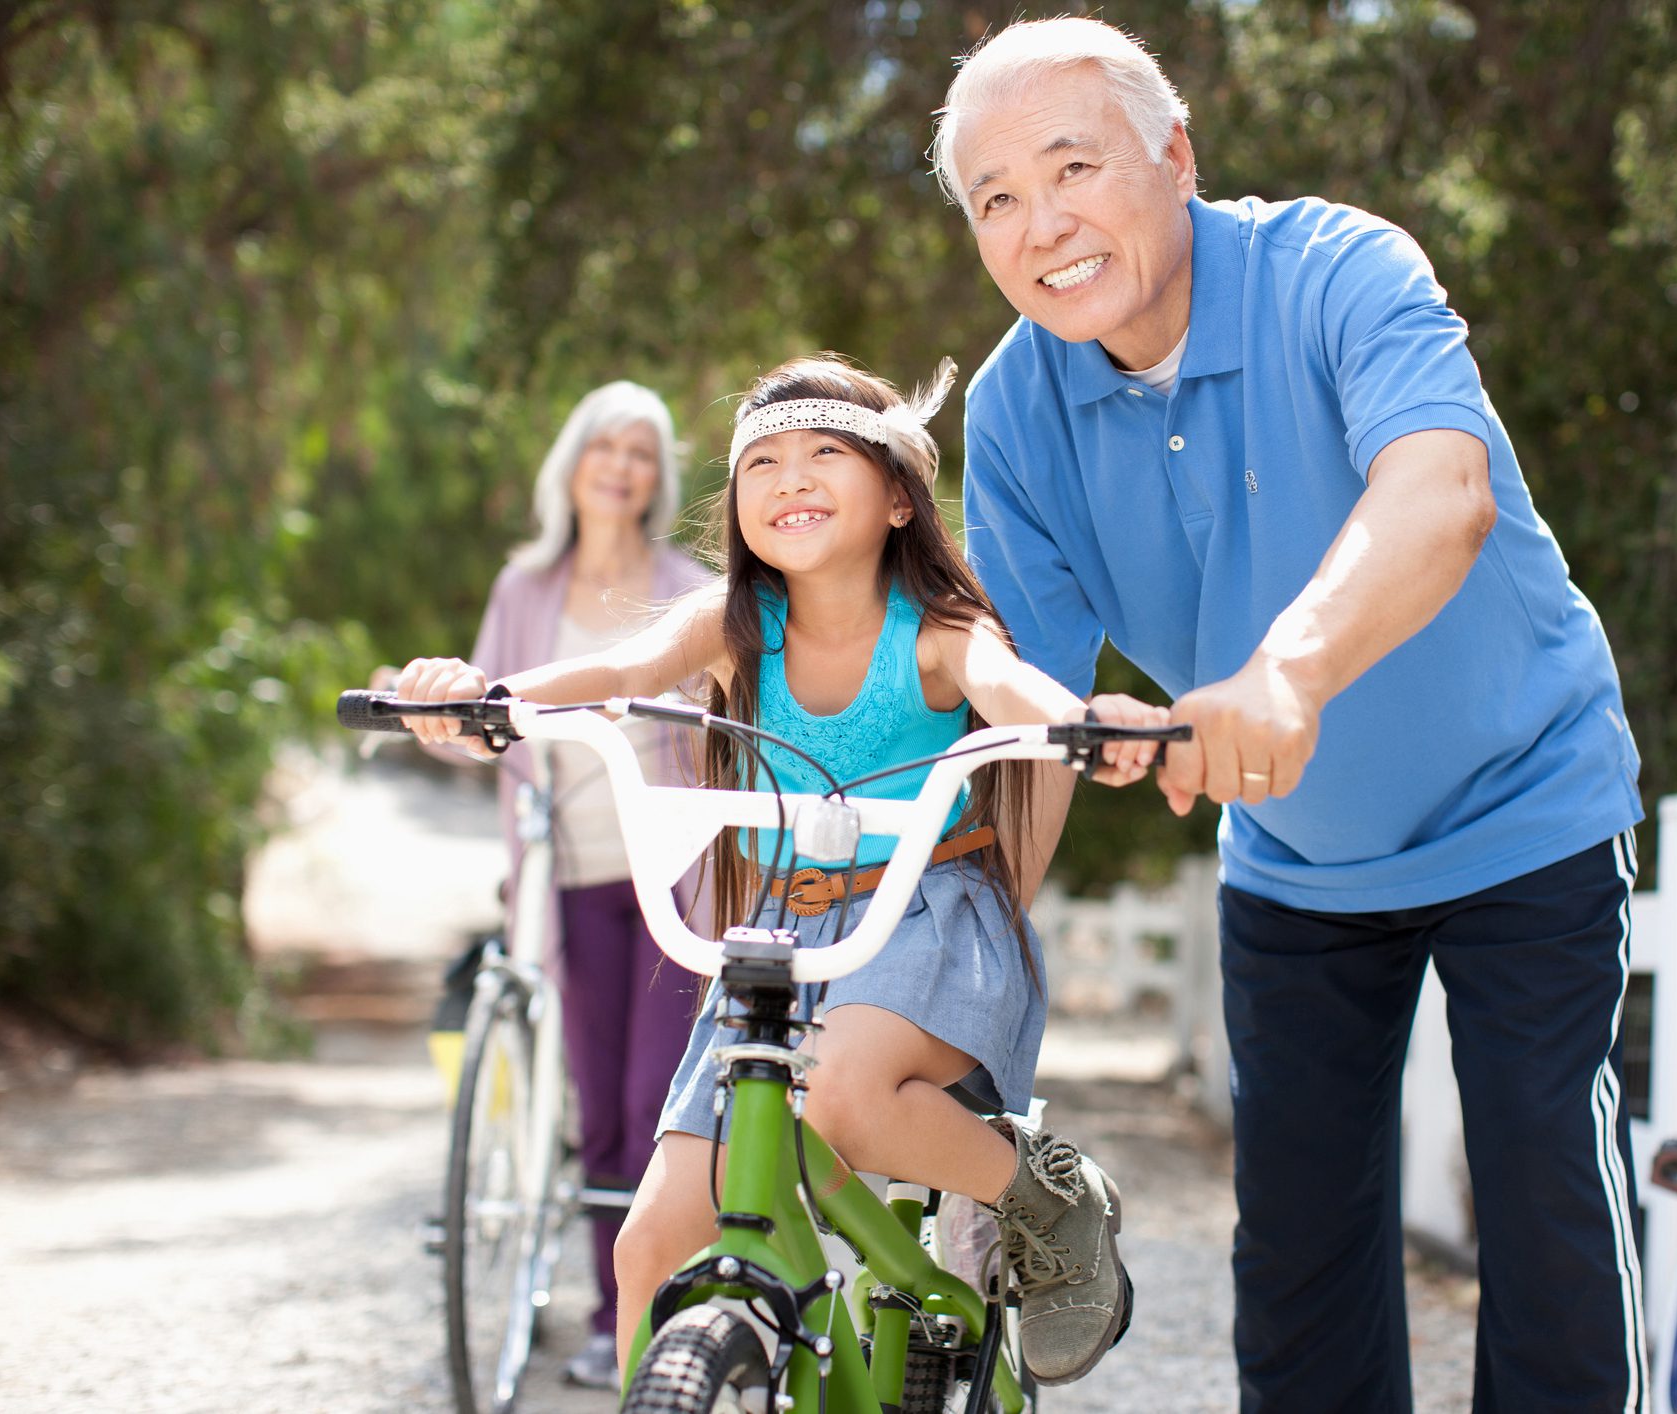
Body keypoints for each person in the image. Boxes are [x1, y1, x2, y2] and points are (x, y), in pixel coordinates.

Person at [931, 19, 1649, 1413]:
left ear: (1176, 153)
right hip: (1297, 860)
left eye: (1071, 166)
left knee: (1540, 1181)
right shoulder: (1018, 407)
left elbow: (1440, 493)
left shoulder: (1339, 270)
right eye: (995, 199)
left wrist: (1284, 673)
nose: (1040, 224)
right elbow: (1022, 710)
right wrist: (947, 963)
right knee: (1300, 1260)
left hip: (1523, 804)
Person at [391, 353, 1169, 1388]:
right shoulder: (734, 623)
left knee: (840, 1099)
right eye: (761, 462)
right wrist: (489, 695)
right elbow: (621, 674)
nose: (789, 477)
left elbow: (1011, 685)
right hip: (777, 936)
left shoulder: (938, 631)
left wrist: (1083, 727)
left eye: (824, 454)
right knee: (650, 1244)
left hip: (922, 915)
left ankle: (1046, 1199)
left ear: (899, 495)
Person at [378, 380, 711, 1389]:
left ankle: (664, 1307)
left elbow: (725, 719)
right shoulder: (525, 590)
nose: (620, 465)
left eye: (641, 452)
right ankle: (615, 1316)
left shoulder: (688, 583)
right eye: (604, 447)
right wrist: (431, 708)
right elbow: (486, 725)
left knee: (661, 1097)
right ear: (572, 465)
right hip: (564, 878)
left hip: (672, 878)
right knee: (597, 1107)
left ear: (657, 478)